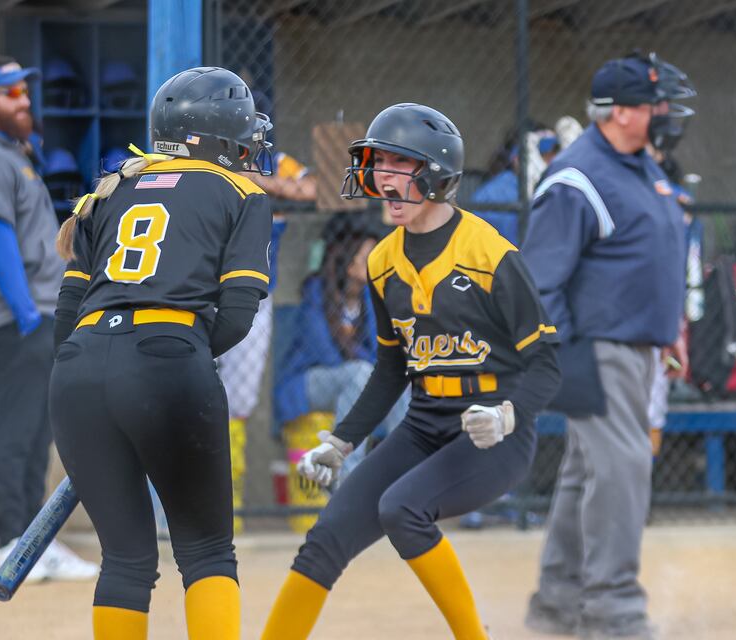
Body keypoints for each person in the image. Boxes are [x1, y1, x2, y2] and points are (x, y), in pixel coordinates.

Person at [260, 102, 561, 640]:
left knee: (403, 509)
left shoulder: (490, 254)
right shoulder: (382, 262)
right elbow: (390, 369)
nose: (382, 179)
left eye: (399, 166)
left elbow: (545, 363)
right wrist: (343, 441)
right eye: (378, 166)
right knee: (325, 537)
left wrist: (509, 414)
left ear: (438, 175)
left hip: (493, 436)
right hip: (424, 425)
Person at [48, 67, 273, 639]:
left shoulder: (112, 187)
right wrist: (183, 357)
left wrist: (95, 376)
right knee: (206, 552)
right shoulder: (242, 191)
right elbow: (239, 313)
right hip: (167, 358)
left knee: (125, 561)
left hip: (78, 366)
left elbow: (65, 316)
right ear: (219, 136)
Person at [521, 52, 696, 639]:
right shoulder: (575, 177)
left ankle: (558, 603)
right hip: (596, 346)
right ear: (620, 112)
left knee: (587, 473)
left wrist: (668, 327)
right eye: (656, 105)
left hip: (638, 346)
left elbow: (656, 252)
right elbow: (539, 278)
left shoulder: (643, 167)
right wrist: (567, 355)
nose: (667, 114)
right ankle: (614, 609)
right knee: (622, 468)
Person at [0, 55, 97, 579]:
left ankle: (30, 543)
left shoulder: (10, 155)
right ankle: (13, 542)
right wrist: (25, 314)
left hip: (37, 315)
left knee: (36, 430)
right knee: (17, 431)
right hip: (21, 317)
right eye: (11, 92)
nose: (24, 100)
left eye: (25, 90)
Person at [214, 145, 316, 534]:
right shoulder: (210, 159)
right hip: (201, 292)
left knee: (240, 401)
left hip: (256, 296)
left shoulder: (277, 160)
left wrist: (261, 181)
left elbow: (315, 190)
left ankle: (230, 508)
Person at [274, 224, 409, 481]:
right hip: (308, 383)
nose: (377, 262)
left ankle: (403, 471)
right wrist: (366, 366)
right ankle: (347, 480)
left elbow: (381, 351)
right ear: (349, 265)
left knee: (397, 378)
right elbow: (324, 353)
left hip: (356, 382)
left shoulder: (369, 296)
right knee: (360, 373)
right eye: (369, 257)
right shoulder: (316, 291)